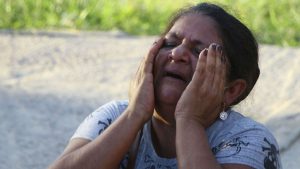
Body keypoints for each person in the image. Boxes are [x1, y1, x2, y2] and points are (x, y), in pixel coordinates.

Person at [49, 2, 281, 169]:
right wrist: (134, 115)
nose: (178, 53)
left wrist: (189, 120)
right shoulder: (115, 116)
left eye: (199, 52)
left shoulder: (249, 138)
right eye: (170, 43)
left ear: (231, 91)